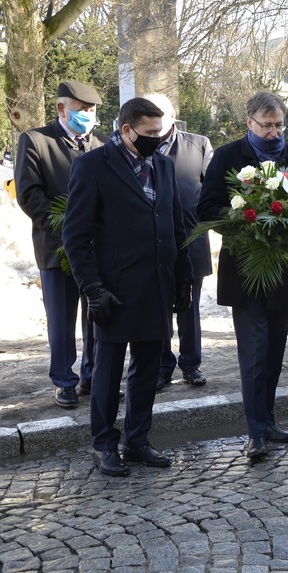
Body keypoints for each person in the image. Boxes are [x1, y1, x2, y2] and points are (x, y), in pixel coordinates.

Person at [62, 97, 193, 476]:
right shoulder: (92, 166)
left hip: (157, 285)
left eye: (162, 132)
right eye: (151, 133)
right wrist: (92, 288)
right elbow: (76, 235)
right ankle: (104, 444)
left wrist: (182, 277)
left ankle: (137, 439)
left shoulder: (164, 166)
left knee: (148, 368)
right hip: (113, 289)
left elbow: (175, 225)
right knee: (108, 370)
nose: (159, 138)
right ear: (127, 130)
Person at [197, 91, 288, 461]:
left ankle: (269, 420)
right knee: (254, 354)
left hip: (285, 268)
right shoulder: (229, 157)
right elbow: (206, 208)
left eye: (279, 125)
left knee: (275, 352)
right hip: (247, 269)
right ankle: (254, 432)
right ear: (249, 122)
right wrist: (245, 218)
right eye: (266, 126)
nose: (273, 132)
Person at [15, 81, 104, 409]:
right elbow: (29, 194)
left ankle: (94, 374)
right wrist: (67, 228)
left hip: (97, 248)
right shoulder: (37, 141)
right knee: (61, 318)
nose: (88, 114)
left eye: (92, 109)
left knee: (97, 313)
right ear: (61, 109)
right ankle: (64, 380)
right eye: (82, 109)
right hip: (56, 246)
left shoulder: (101, 144)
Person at [143, 93, 214, 392]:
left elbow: (212, 189)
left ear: (173, 115)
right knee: (156, 307)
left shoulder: (199, 144)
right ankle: (161, 366)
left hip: (191, 238)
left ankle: (191, 364)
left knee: (190, 307)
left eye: (161, 114)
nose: (157, 121)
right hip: (152, 242)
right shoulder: (138, 146)